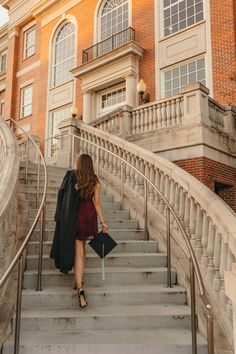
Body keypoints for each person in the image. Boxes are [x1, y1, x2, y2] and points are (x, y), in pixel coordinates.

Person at [50, 154, 108, 308]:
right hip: (89, 217)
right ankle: (79, 280)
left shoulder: (72, 177)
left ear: (79, 164)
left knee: (79, 250)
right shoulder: (95, 181)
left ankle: (80, 289)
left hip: (76, 217)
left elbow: (64, 197)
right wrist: (103, 221)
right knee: (83, 249)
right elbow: (97, 203)